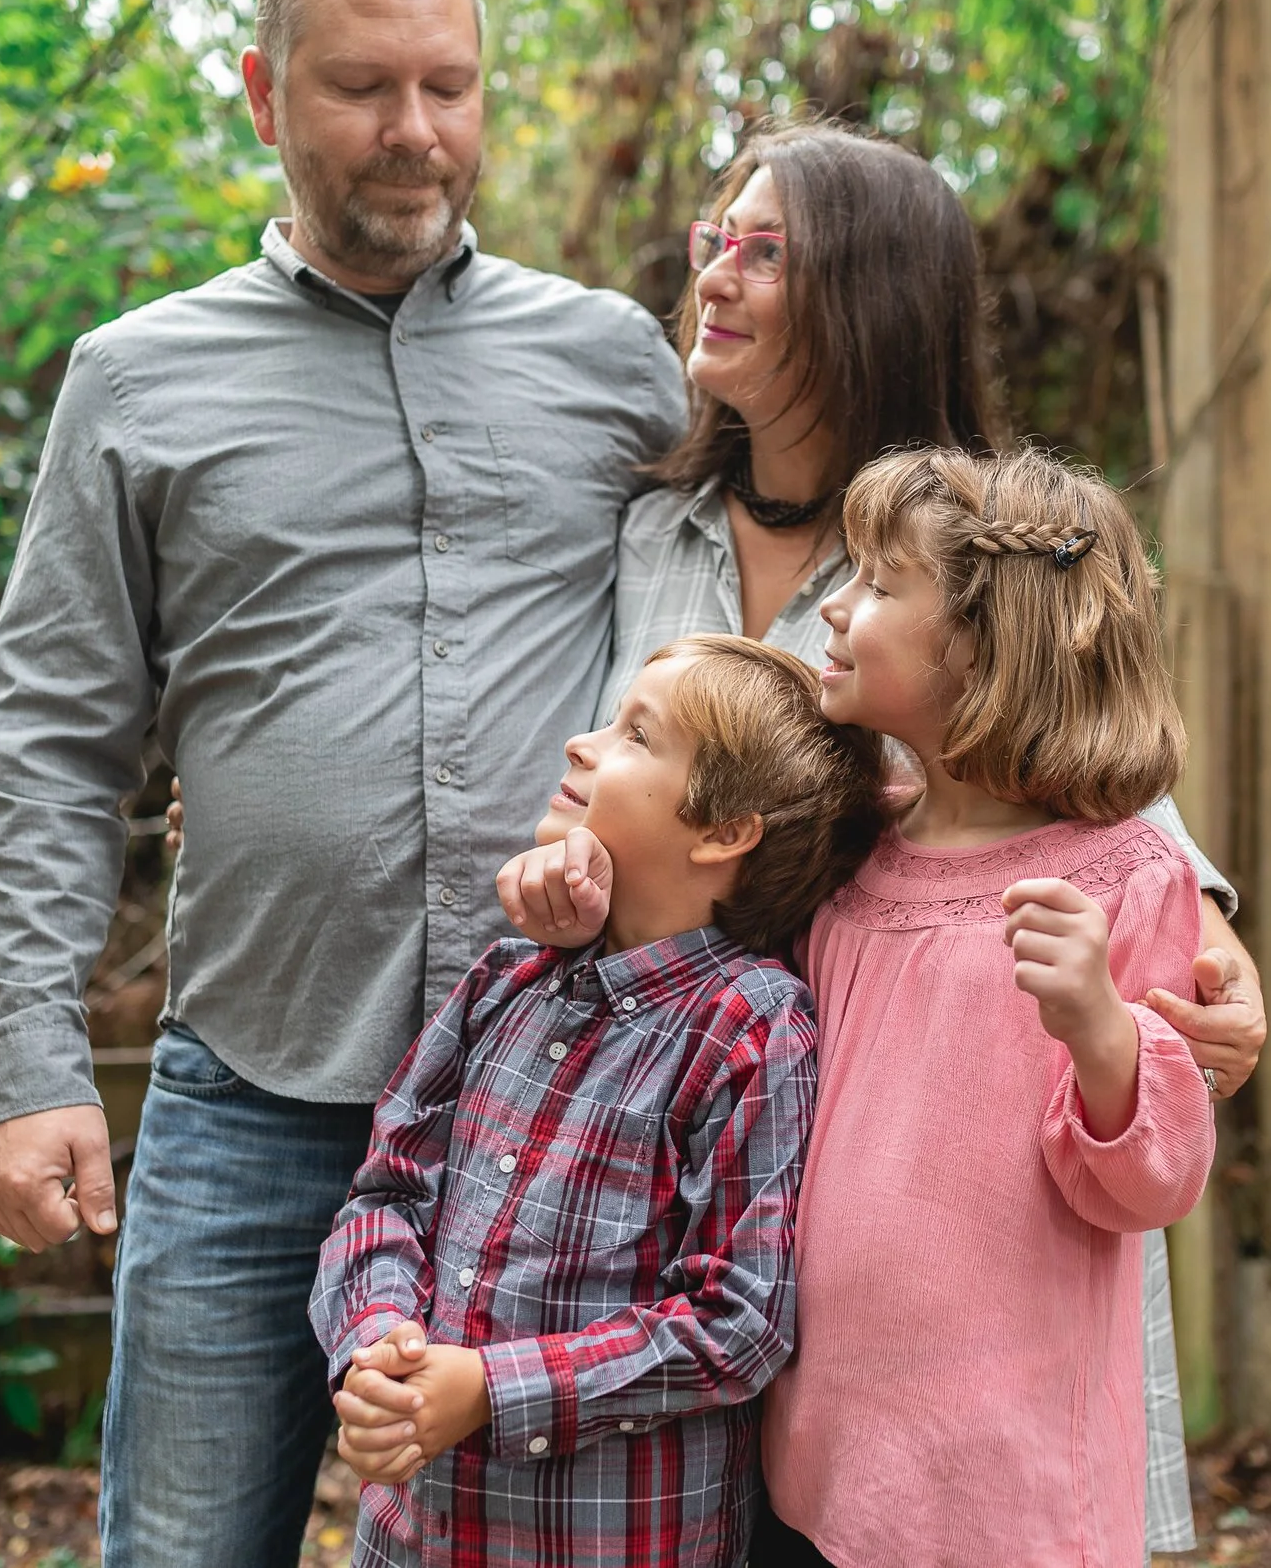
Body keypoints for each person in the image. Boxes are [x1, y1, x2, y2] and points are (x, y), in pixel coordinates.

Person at [0, 0, 685, 1565]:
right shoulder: (137, 383)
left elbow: (827, 611)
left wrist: (1166, 875)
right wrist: (28, 1057)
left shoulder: (616, 365)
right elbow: (57, 735)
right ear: (265, 95)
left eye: (450, 84)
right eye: (362, 86)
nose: (416, 129)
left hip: (565, 1098)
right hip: (256, 1094)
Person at [513, 121, 1257, 1555]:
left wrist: (1199, 924)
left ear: (870, 289)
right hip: (722, 1178)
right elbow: (589, 775)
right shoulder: (651, 535)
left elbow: (1077, 756)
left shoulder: (972, 546)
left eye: (766, 251)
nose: (717, 277)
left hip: (988, 1263)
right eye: (711, 242)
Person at [311, 636, 886, 1567]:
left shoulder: (749, 1027)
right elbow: (387, 1194)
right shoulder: (505, 980)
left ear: (725, 829)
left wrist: (490, 1391)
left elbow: (739, 1319)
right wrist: (381, 1351)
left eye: (635, 735)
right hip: (420, 1533)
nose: (582, 744)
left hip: (607, 1540)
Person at [756, 446, 1216, 1566]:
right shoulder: (851, 853)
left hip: (1006, 1483)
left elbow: (1150, 1185)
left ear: (981, 637)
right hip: (823, 1450)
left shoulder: (1122, 878)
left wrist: (1105, 1034)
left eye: (873, 583)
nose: (832, 606)